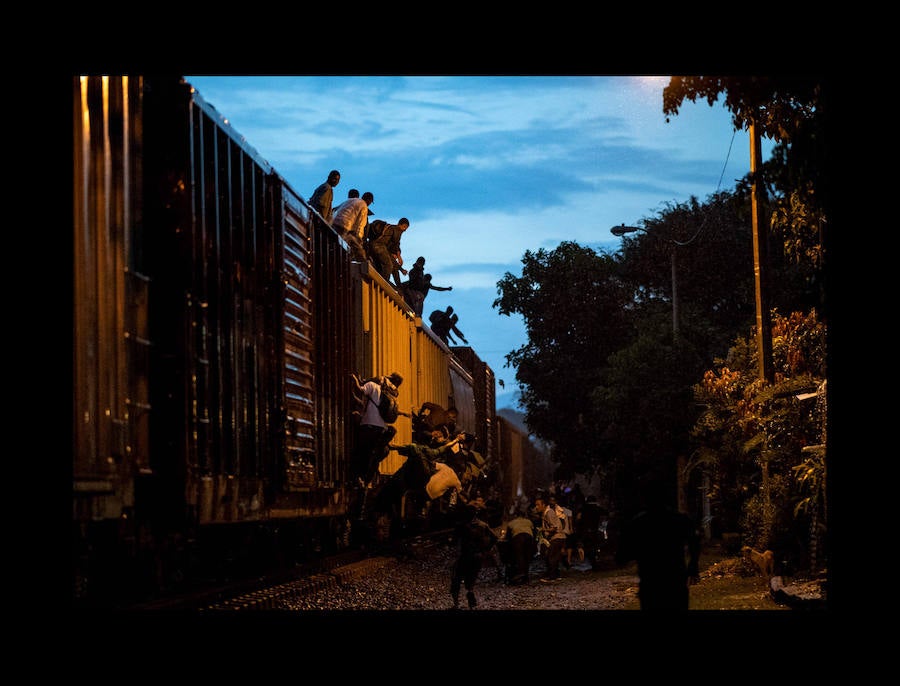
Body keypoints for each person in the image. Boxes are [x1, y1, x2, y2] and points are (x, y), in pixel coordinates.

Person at [615, 477, 701, 611]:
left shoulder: (638, 523)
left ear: (644, 498)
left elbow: (621, 556)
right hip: (675, 582)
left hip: (651, 583)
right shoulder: (679, 520)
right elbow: (695, 541)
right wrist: (693, 564)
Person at [349, 371, 405, 487]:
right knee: (372, 454)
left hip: (368, 425)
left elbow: (360, 389)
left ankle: (358, 477)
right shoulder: (391, 395)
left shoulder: (372, 386)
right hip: (381, 429)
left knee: (361, 451)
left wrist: (354, 380)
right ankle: (367, 480)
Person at [449, 495, 497, 609]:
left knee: (456, 578)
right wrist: (486, 550)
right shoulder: (483, 525)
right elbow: (495, 538)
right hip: (477, 557)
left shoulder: (461, 526)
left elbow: (453, 541)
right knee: (470, 580)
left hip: (465, 556)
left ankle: (456, 603)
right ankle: (470, 597)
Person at [332, 190, 374, 262]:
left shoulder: (351, 200)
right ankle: (362, 263)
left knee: (336, 244)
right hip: (345, 225)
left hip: (335, 223)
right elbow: (361, 223)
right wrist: (359, 238)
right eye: (370, 202)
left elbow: (334, 209)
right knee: (352, 246)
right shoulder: (364, 206)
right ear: (369, 200)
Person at [369, 217, 410, 288]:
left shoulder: (390, 227)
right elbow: (396, 244)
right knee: (389, 266)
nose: (405, 230)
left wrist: (401, 269)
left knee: (389, 264)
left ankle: (380, 283)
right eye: (405, 227)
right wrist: (399, 257)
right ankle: (382, 286)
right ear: (403, 225)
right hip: (379, 246)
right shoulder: (397, 230)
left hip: (373, 244)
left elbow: (393, 260)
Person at [534, 493, 566, 582]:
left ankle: (552, 576)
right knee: (553, 556)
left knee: (550, 556)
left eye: (538, 505)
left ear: (544, 505)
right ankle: (556, 575)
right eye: (536, 505)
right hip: (556, 537)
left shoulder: (549, 513)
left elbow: (554, 527)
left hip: (557, 537)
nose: (536, 507)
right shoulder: (545, 513)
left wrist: (543, 530)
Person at [504, 507, 536, 585]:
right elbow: (533, 531)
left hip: (518, 538)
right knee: (527, 556)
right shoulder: (529, 521)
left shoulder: (511, 523)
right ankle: (526, 574)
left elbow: (507, 537)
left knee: (520, 556)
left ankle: (521, 573)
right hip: (529, 537)